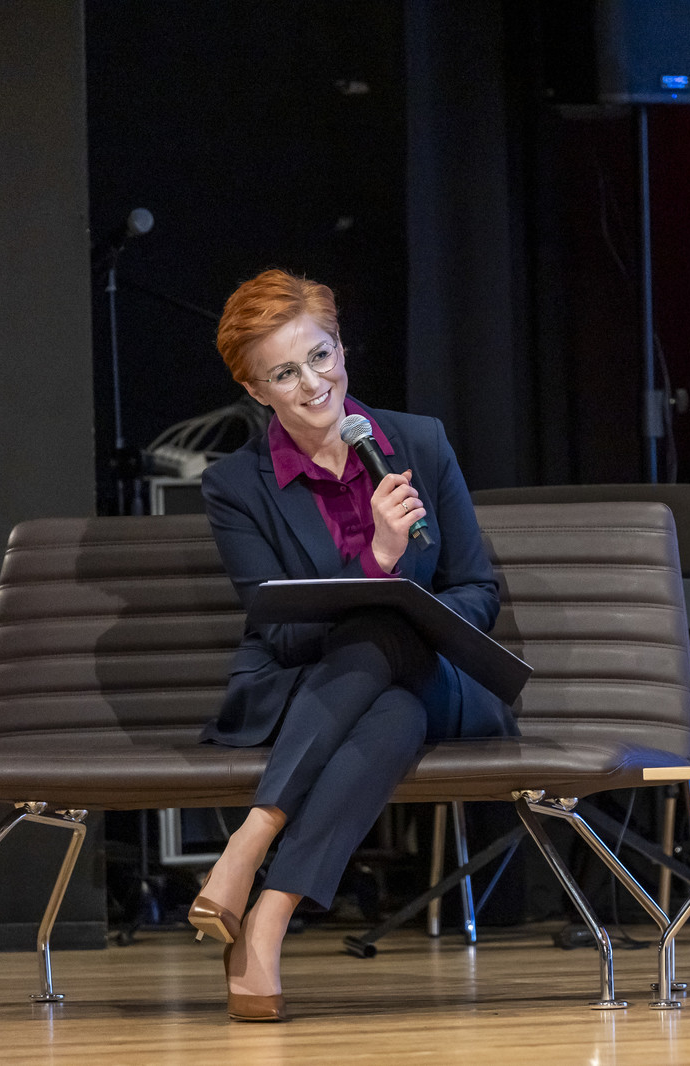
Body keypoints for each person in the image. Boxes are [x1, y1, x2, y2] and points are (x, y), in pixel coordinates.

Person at [188, 269, 516, 1022]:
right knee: (391, 705)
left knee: (387, 624)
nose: (313, 385)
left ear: (340, 349)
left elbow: (476, 590)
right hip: (310, 687)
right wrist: (377, 562)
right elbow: (282, 630)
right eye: (284, 374)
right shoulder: (236, 485)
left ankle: (251, 841)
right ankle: (268, 923)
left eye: (321, 356)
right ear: (254, 389)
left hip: (439, 675)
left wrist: (400, 594)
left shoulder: (419, 442)